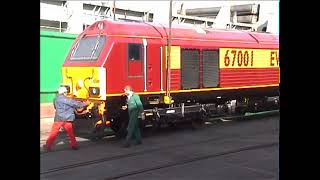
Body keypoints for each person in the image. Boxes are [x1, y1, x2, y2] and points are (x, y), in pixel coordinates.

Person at [43, 86, 89, 152]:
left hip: (59, 118)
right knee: (70, 133)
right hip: (67, 119)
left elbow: (55, 107)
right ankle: (74, 145)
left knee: (53, 133)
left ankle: (48, 146)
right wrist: (85, 103)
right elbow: (76, 104)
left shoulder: (55, 99)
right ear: (64, 92)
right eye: (66, 92)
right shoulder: (67, 100)